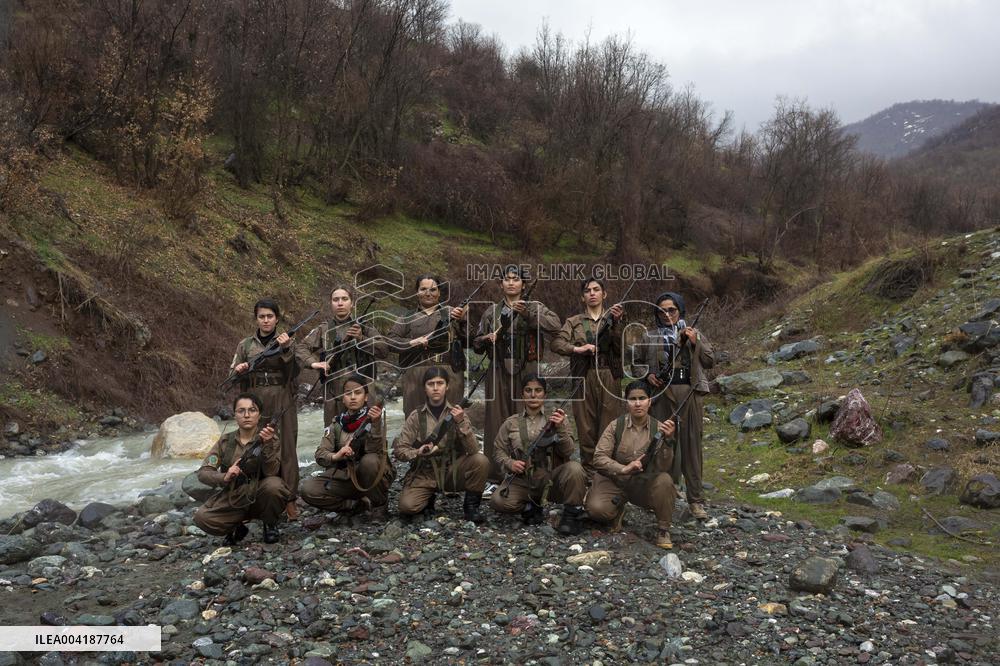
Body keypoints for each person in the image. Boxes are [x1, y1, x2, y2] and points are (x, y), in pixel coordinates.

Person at [473, 266, 561, 481]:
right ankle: (495, 473)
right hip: (497, 369)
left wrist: (528, 314)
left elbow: (555, 325)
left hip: (527, 370)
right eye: (507, 279)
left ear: (523, 284)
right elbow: (476, 343)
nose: (511, 283)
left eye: (516, 279)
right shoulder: (491, 312)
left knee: (527, 416)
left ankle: (529, 470)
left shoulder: (535, 306)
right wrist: (486, 339)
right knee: (496, 418)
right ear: (501, 283)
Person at [635, 292, 714, 521]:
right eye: (662, 310)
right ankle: (659, 495)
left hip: (689, 394)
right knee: (661, 445)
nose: (667, 314)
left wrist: (694, 342)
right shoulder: (649, 336)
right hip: (661, 395)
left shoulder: (694, 333)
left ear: (680, 310)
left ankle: (696, 501)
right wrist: (647, 375)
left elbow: (710, 361)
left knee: (692, 448)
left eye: (672, 309)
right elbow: (636, 363)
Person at [489, 374, 587, 535]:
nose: (533, 395)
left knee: (575, 469)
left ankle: (571, 516)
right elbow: (498, 450)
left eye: (538, 390)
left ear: (545, 395)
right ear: (522, 395)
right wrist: (510, 463)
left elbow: (569, 451)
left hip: (551, 479)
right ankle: (530, 507)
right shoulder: (511, 422)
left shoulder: (558, 419)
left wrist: (560, 428)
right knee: (498, 501)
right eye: (528, 390)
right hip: (523, 480)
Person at [230, 298, 300, 519]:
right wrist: (239, 369)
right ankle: (259, 497)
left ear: (277, 319)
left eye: (270, 316)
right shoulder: (245, 345)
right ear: (256, 319)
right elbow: (232, 375)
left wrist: (286, 349)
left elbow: (295, 371)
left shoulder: (287, 341)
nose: (266, 320)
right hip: (254, 402)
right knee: (257, 447)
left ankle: (290, 500)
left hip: (282, 398)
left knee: (287, 449)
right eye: (262, 316)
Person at [586, 380, 677, 549]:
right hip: (615, 480)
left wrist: (669, 441)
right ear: (626, 402)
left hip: (642, 483)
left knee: (665, 480)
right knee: (596, 510)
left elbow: (664, 467)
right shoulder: (616, 426)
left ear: (650, 401)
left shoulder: (660, 428)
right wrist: (623, 468)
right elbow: (598, 458)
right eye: (632, 399)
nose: (637, 403)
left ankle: (664, 529)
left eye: (642, 398)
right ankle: (617, 511)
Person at [393, 367, 490, 523]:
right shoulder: (416, 416)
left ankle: (471, 508)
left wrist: (460, 422)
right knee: (407, 507)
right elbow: (400, 450)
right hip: (425, 473)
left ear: (447, 386)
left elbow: (473, 450)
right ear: (425, 388)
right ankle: (428, 498)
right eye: (431, 384)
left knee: (481, 461)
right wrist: (418, 452)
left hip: (452, 470)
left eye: (440, 383)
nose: (436, 388)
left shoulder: (458, 414)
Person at [194, 393, 290, 545]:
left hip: (260, 493)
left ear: (259, 415)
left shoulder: (271, 439)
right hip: (234, 496)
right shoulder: (225, 441)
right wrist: (224, 476)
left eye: (252, 410)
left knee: (275, 486)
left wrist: (267, 445)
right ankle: (235, 526)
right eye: (241, 411)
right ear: (235, 415)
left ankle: (270, 523)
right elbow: (203, 473)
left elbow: (272, 471)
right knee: (202, 518)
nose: (246, 415)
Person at [551, 278, 625, 475]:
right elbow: (556, 344)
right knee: (585, 427)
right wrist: (578, 349)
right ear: (582, 297)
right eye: (587, 290)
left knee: (610, 425)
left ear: (604, 294)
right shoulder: (573, 322)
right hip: (583, 376)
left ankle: (608, 473)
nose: (592, 293)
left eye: (596, 289)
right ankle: (590, 475)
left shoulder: (615, 318)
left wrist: (616, 324)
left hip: (609, 375)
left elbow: (622, 349)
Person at [300, 373, 396, 518]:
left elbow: (376, 450)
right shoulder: (336, 424)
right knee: (308, 489)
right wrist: (336, 456)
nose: (352, 397)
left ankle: (379, 505)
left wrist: (376, 423)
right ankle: (355, 506)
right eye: (348, 393)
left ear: (366, 397)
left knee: (370, 461)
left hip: (372, 477)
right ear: (343, 399)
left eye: (358, 393)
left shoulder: (374, 419)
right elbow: (320, 454)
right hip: (346, 478)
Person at [296, 285, 388, 425]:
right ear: (331, 303)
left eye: (344, 299)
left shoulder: (365, 326)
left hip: (363, 388)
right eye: (336, 299)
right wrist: (314, 363)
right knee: (333, 431)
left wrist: (361, 338)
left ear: (352, 303)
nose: (340, 303)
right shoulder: (324, 328)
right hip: (334, 391)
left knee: (366, 430)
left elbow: (384, 350)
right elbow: (300, 348)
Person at [386, 275, 468, 417]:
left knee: (451, 419)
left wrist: (462, 321)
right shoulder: (407, 317)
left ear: (439, 292)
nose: (428, 293)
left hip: (449, 373)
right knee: (415, 417)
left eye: (433, 289)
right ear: (417, 292)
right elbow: (390, 341)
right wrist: (411, 342)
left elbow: (471, 340)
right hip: (415, 373)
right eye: (423, 289)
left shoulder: (452, 313)